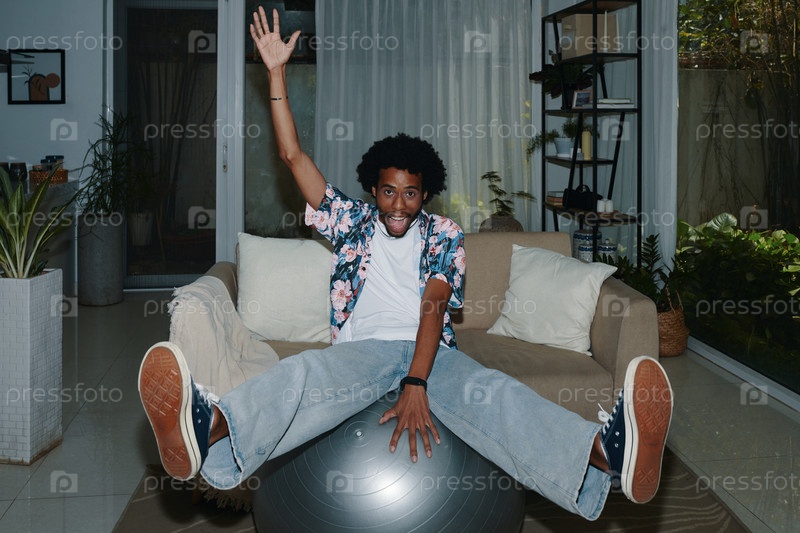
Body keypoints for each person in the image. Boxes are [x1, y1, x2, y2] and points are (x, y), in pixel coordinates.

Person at [137, 7, 673, 520]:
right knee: (300, 375)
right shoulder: (351, 222)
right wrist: (276, 74)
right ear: (373, 189)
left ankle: (609, 453)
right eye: (389, 191)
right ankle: (204, 428)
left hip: (431, 357)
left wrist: (417, 380)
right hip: (363, 353)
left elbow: (434, 306)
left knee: (500, 396)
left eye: (411, 193)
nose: (399, 204)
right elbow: (292, 156)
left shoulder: (444, 234)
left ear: (425, 194)